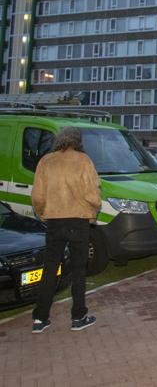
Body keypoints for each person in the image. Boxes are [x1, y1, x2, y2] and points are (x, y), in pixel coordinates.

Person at [30, 127, 101, 333]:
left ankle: (40, 318)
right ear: (78, 141)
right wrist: (93, 213)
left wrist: (43, 213)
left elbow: (37, 196)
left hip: (54, 220)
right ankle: (78, 317)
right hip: (78, 221)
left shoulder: (46, 161)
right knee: (79, 270)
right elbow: (93, 195)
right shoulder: (84, 161)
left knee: (50, 268)